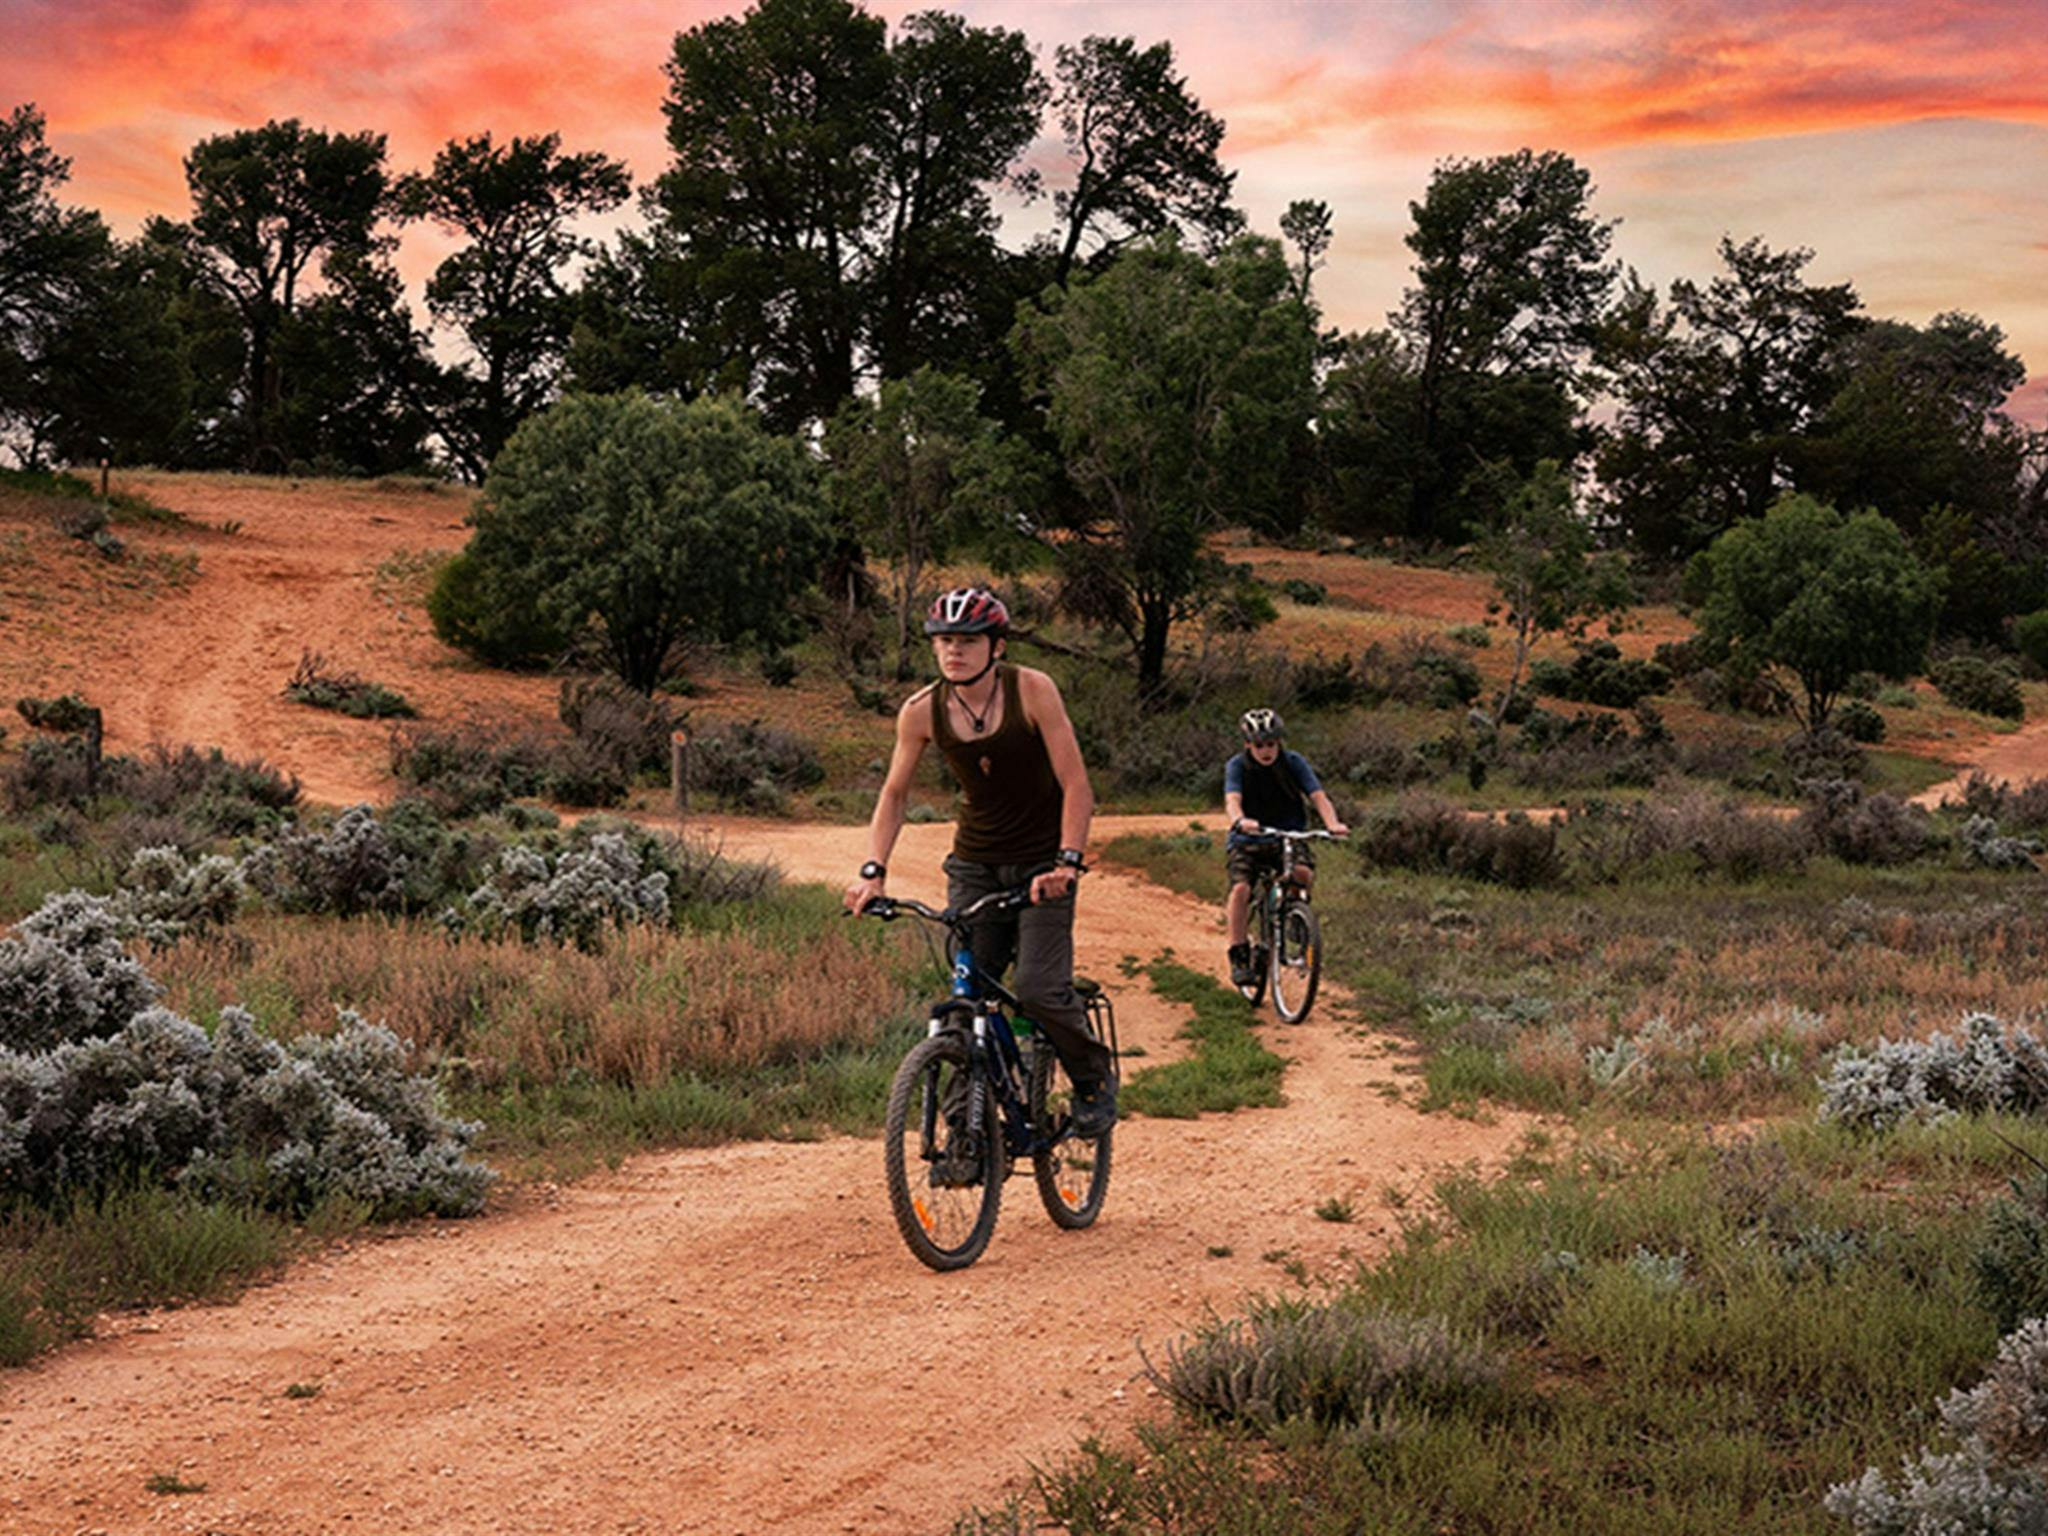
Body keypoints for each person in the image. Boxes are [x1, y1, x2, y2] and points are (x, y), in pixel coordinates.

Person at [843, 585, 1117, 1136]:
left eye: (968, 640)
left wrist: (1067, 862)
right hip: (975, 865)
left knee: (1038, 990)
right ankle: (964, 1135)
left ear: (997, 646)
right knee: (967, 999)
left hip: (1043, 865)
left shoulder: (1032, 691)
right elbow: (894, 794)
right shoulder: (921, 711)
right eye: (944, 640)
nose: (954, 651)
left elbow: (1076, 784)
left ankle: (1092, 1080)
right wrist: (873, 871)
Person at [1224, 708, 1349, 988]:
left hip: (1289, 835)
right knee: (1241, 889)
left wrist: (1333, 823)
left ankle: (1293, 917)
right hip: (1249, 839)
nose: (1266, 751)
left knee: (1302, 874)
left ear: (1279, 742)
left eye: (1271, 744)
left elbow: (1318, 796)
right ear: (1247, 745)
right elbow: (1232, 799)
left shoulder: (1293, 763)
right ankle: (1239, 953)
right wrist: (1240, 821)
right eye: (1259, 745)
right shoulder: (1237, 766)